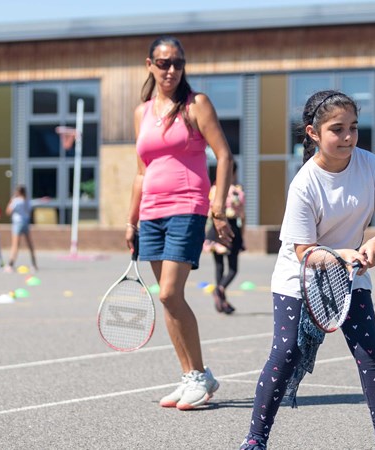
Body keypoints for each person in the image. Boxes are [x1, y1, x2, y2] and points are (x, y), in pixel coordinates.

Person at [239, 90, 375, 450]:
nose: (348, 137)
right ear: (314, 133)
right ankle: (255, 439)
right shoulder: (304, 183)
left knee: (369, 351)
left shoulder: (371, 166)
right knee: (286, 353)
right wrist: (342, 253)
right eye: (337, 129)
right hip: (299, 276)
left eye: (353, 128)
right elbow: (303, 251)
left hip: (349, 273)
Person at [125, 35, 235, 411]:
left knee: (171, 293)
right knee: (167, 299)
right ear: (149, 65)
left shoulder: (196, 104)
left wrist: (217, 209)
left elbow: (223, 156)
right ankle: (190, 375)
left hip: (187, 207)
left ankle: (200, 375)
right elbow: (142, 172)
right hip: (151, 213)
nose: (170, 70)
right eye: (163, 63)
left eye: (177, 63)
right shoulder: (142, 112)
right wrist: (131, 220)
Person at [206, 160, 245, 315]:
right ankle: (220, 293)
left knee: (220, 266)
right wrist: (243, 234)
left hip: (216, 227)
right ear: (234, 173)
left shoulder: (214, 189)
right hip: (232, 226)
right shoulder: (237, 191)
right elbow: (243, 215)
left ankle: (220, 296)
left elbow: (209, 212)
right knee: (233, 268)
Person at [5, 185, 38, 272]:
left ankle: (10, 264)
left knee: (15, 245)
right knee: (29, 244)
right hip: (25, 222)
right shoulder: (27, 201)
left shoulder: (16, 201)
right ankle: (34, 264)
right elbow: (29, 213)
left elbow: (8, 211)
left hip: (17, 223)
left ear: (18, 192)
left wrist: (11, 200)